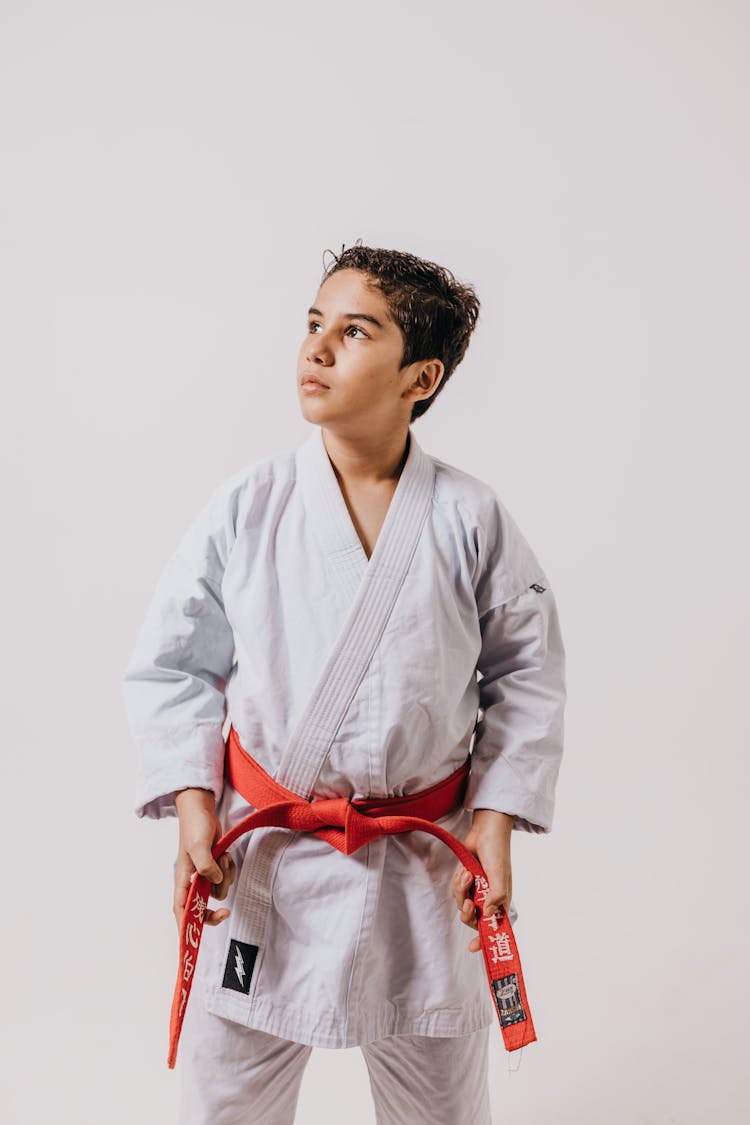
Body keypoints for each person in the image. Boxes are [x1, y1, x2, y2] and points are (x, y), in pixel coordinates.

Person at [122, 242, 566, 1124]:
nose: (317, 349)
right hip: (265, 856)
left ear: (420, 375)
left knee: (439, 1103)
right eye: (314, 324)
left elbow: (527, 671)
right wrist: (194, 800)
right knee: (227, 1101)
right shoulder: (249, 506)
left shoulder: (469, 517)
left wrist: (495, 819)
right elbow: (174, 662)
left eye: (355, 330)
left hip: (423, 860)